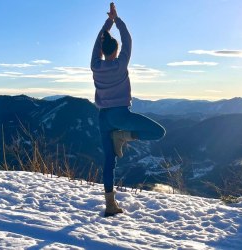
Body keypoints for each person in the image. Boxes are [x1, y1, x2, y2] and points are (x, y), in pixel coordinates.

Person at [91, 3, 166, 217]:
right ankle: (123, 136)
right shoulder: (121, 64)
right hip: (120, 116)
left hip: (102, 117)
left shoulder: (95, 65)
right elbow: (128, 40)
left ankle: (110, 204)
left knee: (108, 162)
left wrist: (107, 24)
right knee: (159, 132)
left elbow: (98, 41)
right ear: (115, 50)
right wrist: (117, 20)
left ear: (103, 51)